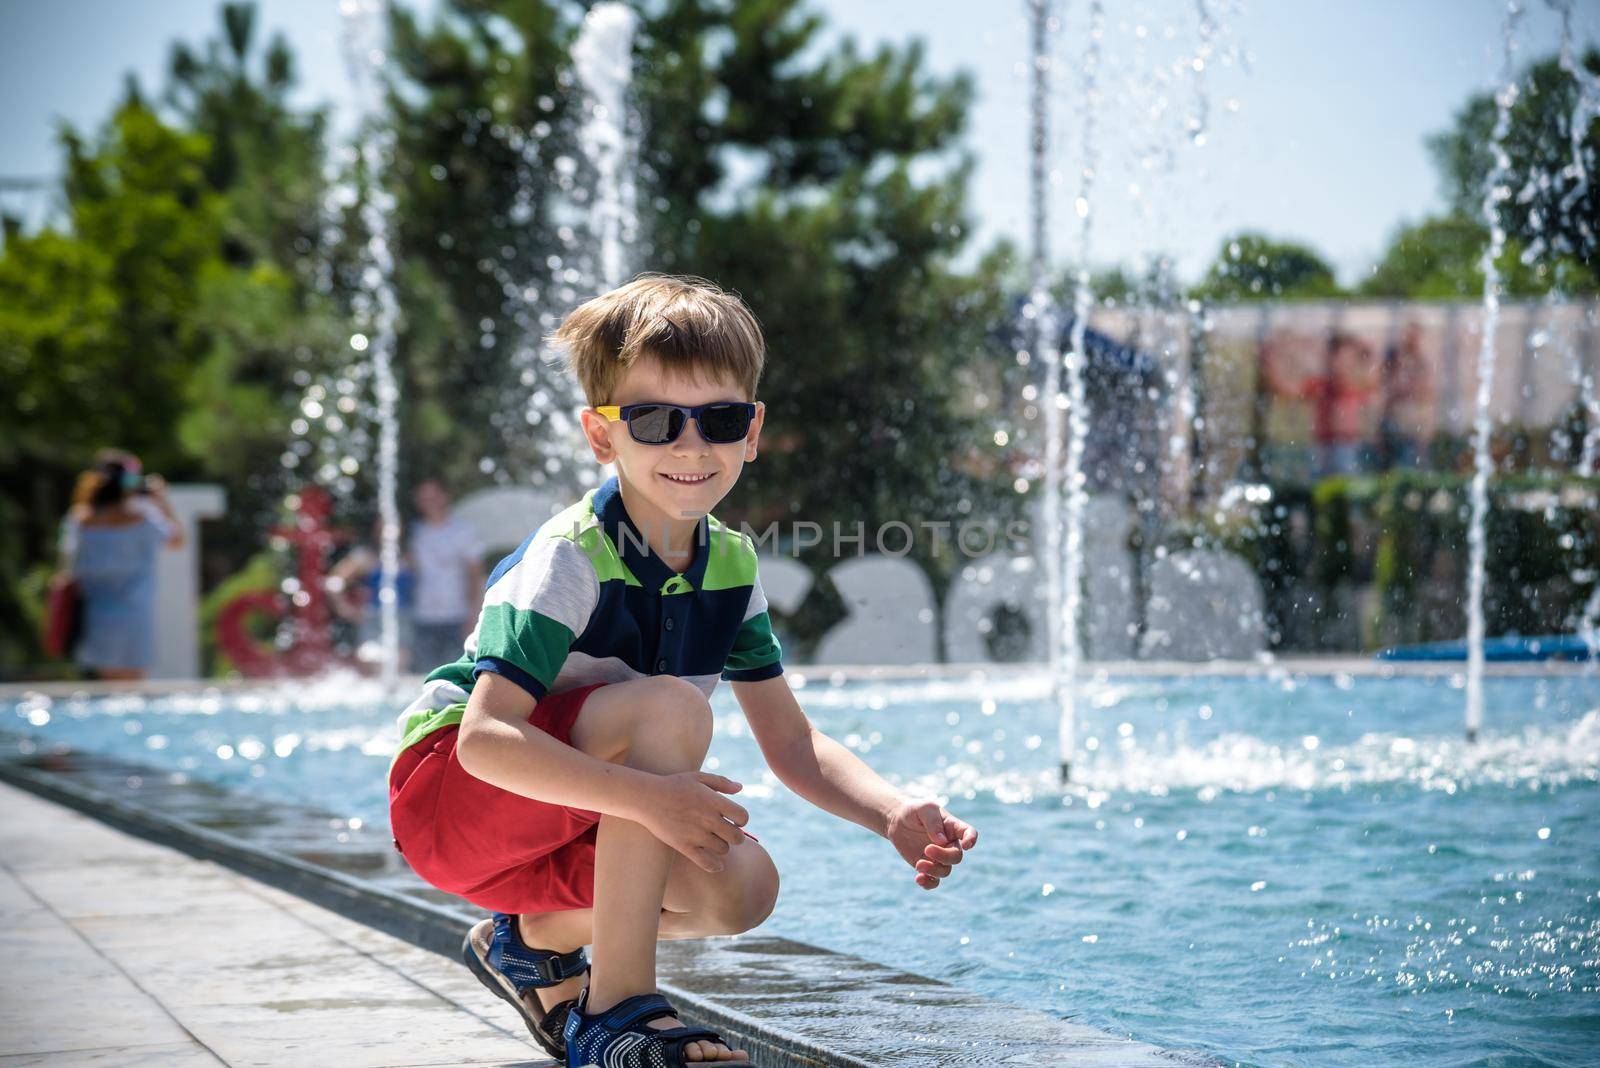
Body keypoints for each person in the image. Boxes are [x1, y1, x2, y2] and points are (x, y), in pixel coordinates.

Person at [386, 275, 979, 1067]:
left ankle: (529, 943)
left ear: (753, 429)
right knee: (669, 711)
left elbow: (793, 746)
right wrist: (646, 800)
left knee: (739, 888)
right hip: (452, 801)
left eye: (720, 420)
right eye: (657, 421)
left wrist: (891, 813)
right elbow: (486, 740)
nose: (691, 447)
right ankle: (615, 1010)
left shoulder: (730, 565)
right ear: (604, 438)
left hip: (563, 817)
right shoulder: (571, 558)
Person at [62, 453, 184, 680]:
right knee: (133, 688)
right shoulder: (143, 519)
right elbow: (177, 540)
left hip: (94, 613)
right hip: (135, 614)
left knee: (104, 688)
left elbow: (68, 561)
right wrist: (162, 502)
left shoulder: (80, 520)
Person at [409, 479, 485, 671]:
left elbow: (475, 574)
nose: (429, 502)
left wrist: (473, 613)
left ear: (445, 496)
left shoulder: (463, 531)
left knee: (454, 674)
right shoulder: (415, 533)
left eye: (433, 496)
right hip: (423, 616)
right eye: (424, 498)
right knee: (423, 675)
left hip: (456, 616)